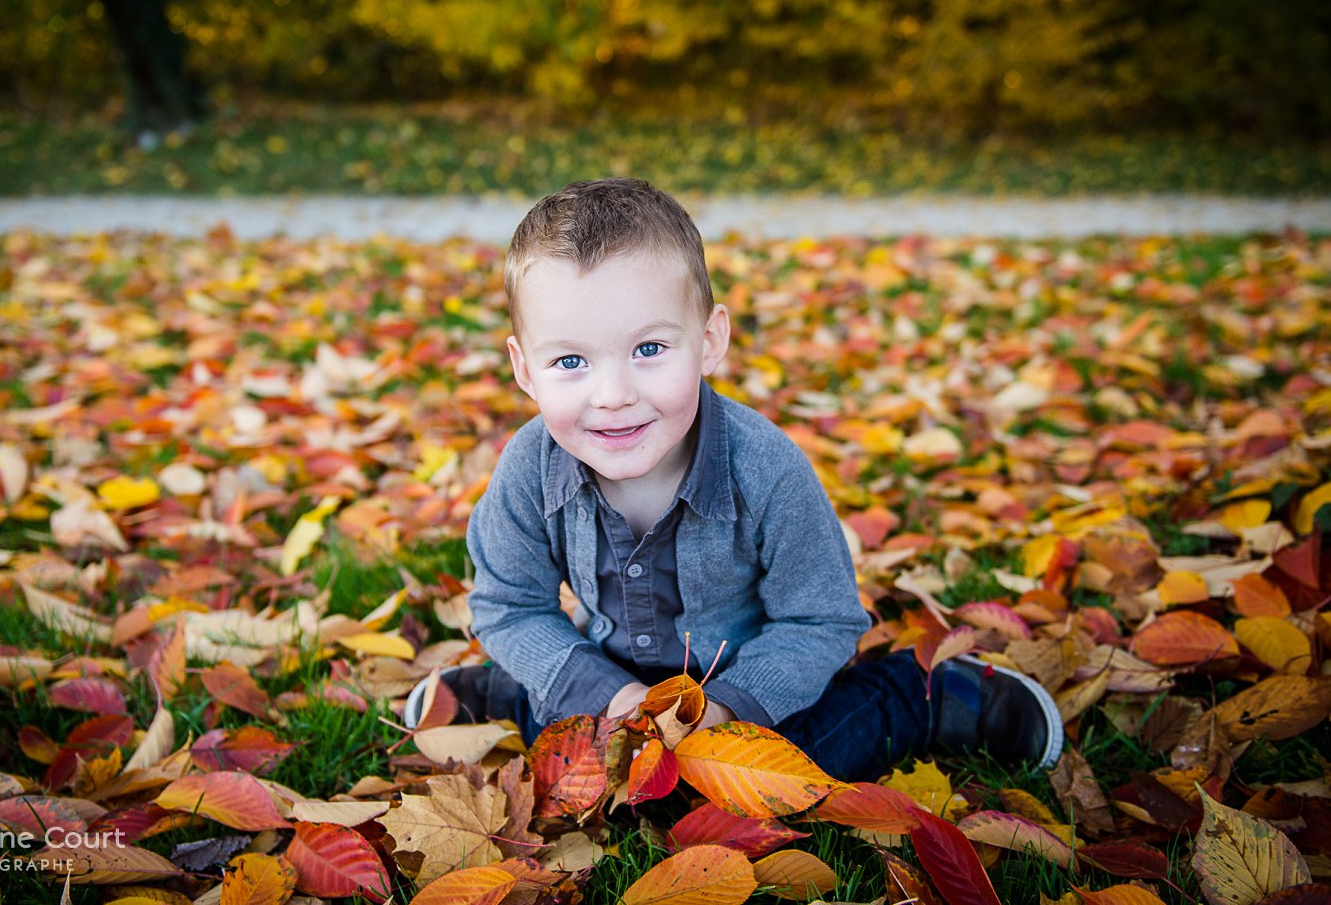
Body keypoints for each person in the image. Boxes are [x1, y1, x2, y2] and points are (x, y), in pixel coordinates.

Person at [406, 178, 1062, 780]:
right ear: (525, 369)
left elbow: (820, 620)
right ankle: (507, 693)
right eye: (571, 360)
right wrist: (610, 696)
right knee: (591, 762)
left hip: (749, 677)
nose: (612, 394)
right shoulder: (529, 468)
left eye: (649, 350)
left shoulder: (766, 469)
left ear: (710, 340)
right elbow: (511, 605)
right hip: (613, 683)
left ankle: (925, 694)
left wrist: (727, 709)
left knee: (801, 761)